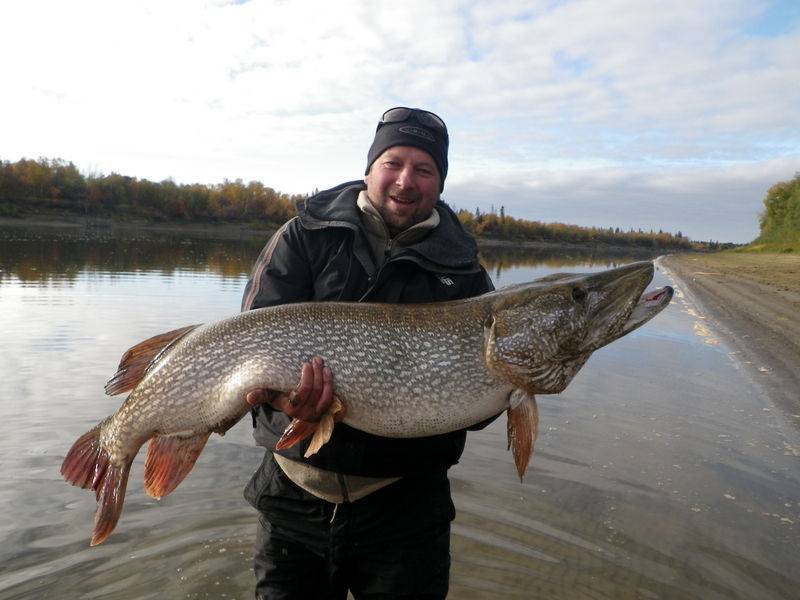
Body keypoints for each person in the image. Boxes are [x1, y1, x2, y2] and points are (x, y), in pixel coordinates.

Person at [240, 107, 496, 599]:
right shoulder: (304, 235)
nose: (406, 180)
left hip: (405, 512)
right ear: (369, 168)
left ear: (439, 183)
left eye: (425, 170)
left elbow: (475, 403)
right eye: (393, 162)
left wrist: (522, 374)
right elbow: (255, 337)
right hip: (292, 499)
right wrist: (280, 400)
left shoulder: (465, 273)